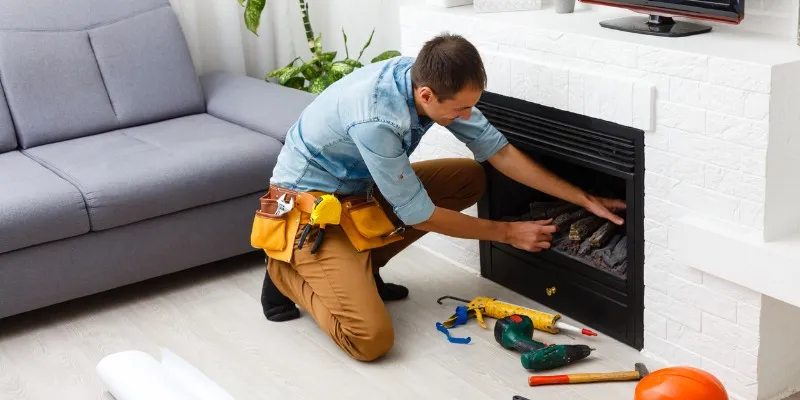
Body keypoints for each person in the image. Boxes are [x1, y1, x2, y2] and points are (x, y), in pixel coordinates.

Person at [257, 33, 625, 362]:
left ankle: (362, 268)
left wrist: (583, 198)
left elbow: (499, 152)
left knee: (467, 178)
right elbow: (419, 215)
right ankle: (284, 270)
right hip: (311, 213)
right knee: (370, 340)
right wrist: (508, 233)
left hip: (359, 196)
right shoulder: (376, 120)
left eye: (470, 106)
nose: (467, 116)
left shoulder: (427, 76)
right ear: (426, 96)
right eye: (460, 110)